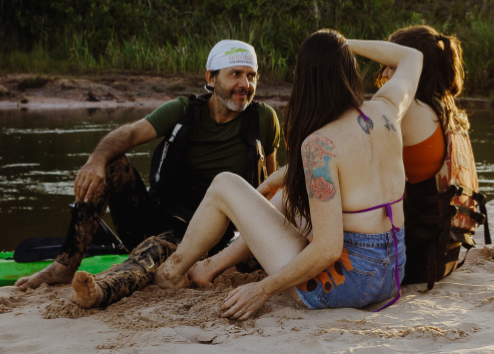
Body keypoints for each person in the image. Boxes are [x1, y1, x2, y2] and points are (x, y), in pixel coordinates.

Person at [136, 30, 422, 320]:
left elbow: (328, 249)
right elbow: (411, 56)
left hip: (344, 285)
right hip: (390, 274)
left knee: (225, 184)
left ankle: (172, 272)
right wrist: (344, 45)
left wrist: (262, 289)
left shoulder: (319, 145)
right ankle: (209, 267)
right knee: (287, 194)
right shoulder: (386, 110)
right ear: (349, 68)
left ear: (305, 80)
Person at [15, 40, 281, 310]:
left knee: (155, 250)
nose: (244, 84)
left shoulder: (263, 120)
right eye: (235, 74)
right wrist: (96, 160)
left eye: (251, 76)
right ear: (211, 78)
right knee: (111, 163)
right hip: (156, 215)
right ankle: (65, 264)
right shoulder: (183, 111)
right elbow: (129, 133)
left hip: (205, 235)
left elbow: (271, 187)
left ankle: (100, 291)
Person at [371, 25, 472, 285]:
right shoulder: (445, 110)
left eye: (391, 63)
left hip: (416, 262)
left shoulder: (411, 110)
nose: (383, 73)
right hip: (443, 255)